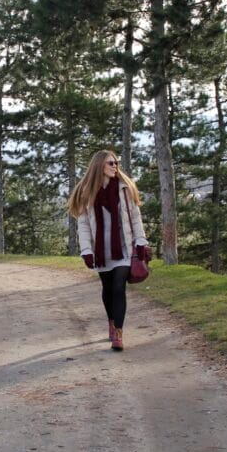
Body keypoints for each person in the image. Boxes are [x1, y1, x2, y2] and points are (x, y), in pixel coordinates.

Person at [67, 150, 151, 351]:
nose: (115, 166)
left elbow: (136, 217)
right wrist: (86, 250)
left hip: (124, 248)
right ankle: (111, 323)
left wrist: (140, 241)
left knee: (119, 287)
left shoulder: (125, 188)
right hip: (101, 251)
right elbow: (84, 225)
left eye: (116, 163)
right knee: (107, 288)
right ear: (99, 167)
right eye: (110, 163)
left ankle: (119, 334)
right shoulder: (87, 192)